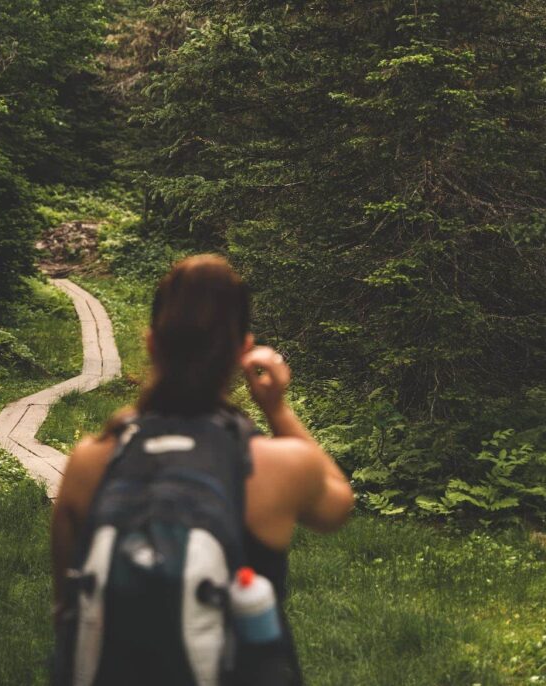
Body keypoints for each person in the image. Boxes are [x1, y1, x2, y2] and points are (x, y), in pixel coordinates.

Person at [51, 254, 354, 685]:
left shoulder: (89, 462)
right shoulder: (280, 466)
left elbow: (66, 612)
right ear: (243, 351)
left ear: (152, 343)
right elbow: (338, 505)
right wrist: (277, 408)